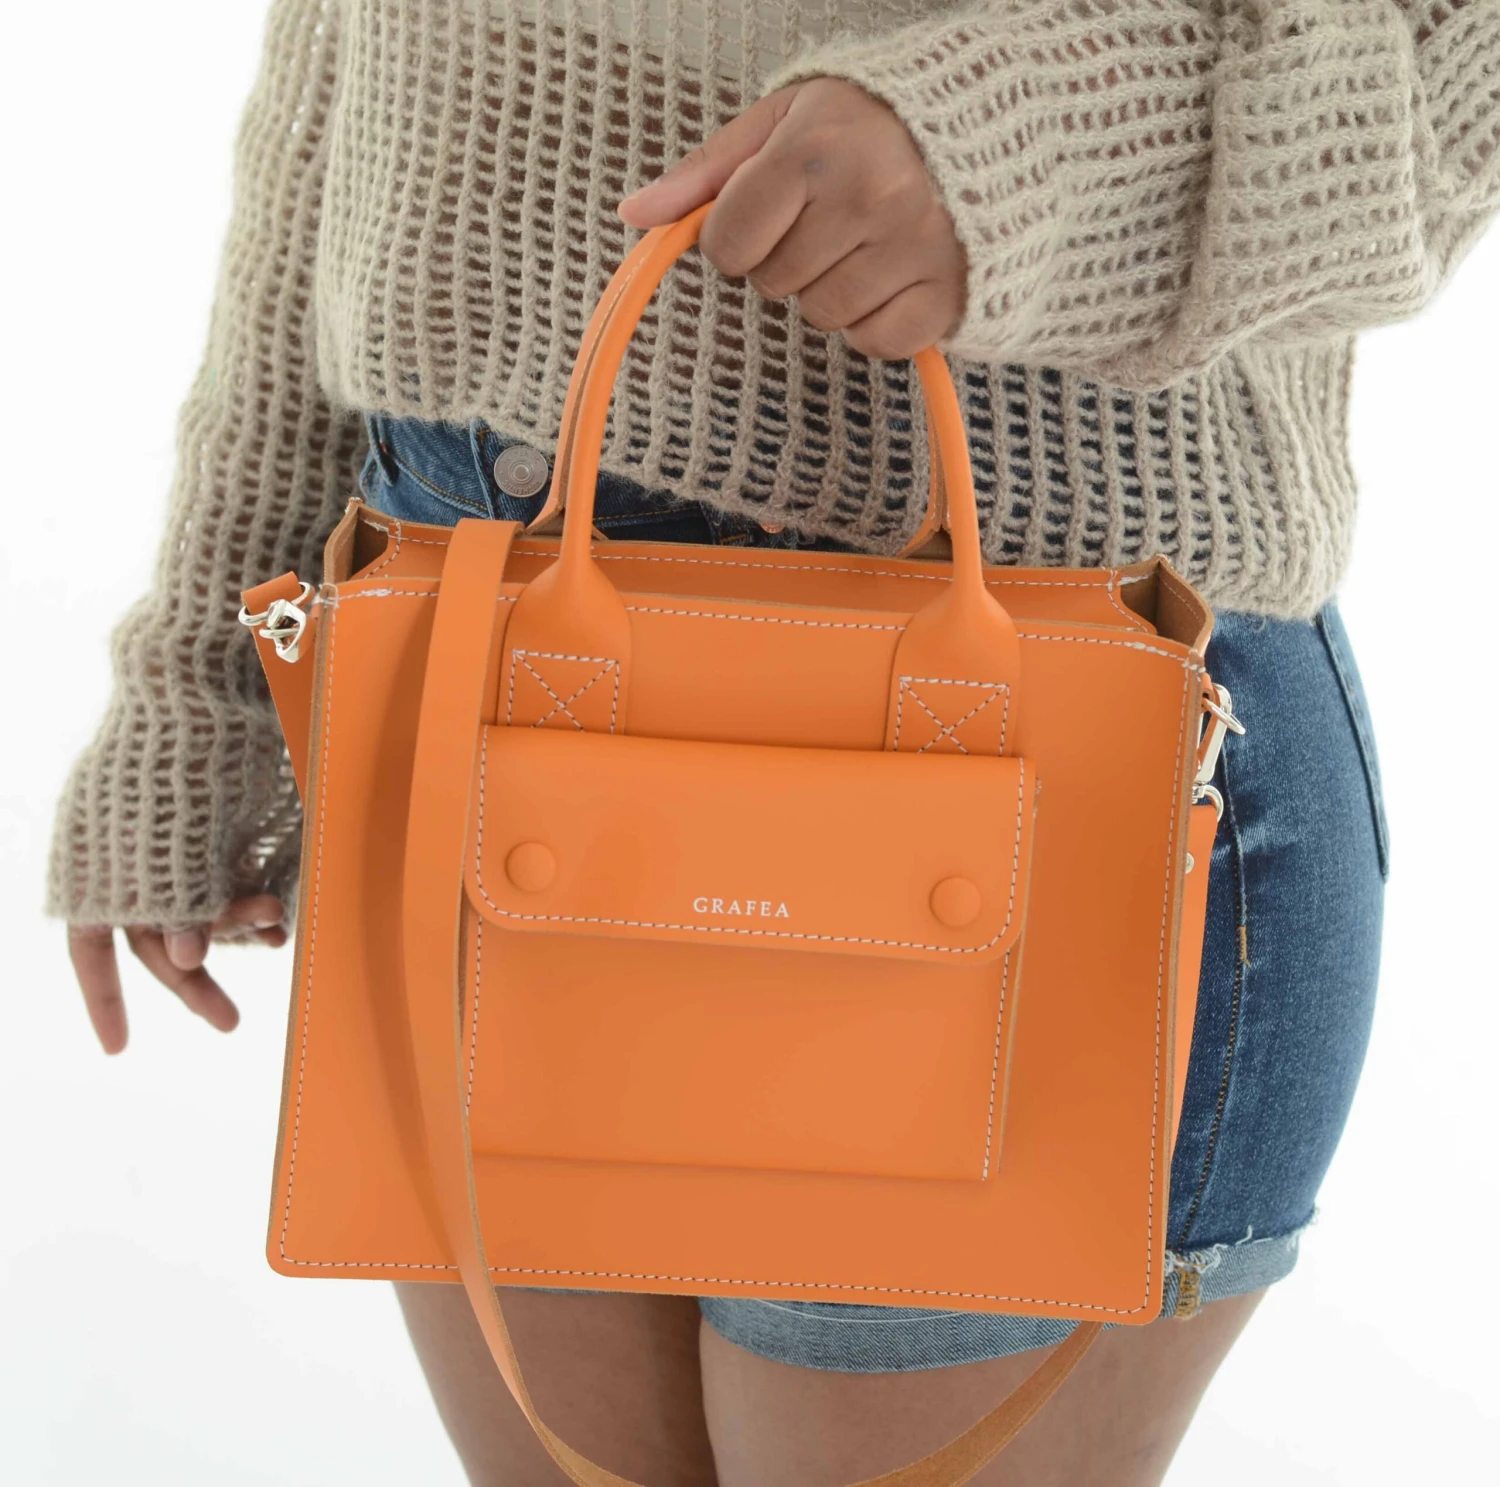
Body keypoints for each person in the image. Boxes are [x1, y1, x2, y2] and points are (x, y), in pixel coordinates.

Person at [50, 1, 1498, 1483]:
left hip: (1048, 723)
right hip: (466, 643)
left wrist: (1036, 140)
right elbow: (346, 53)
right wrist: (203, 669)